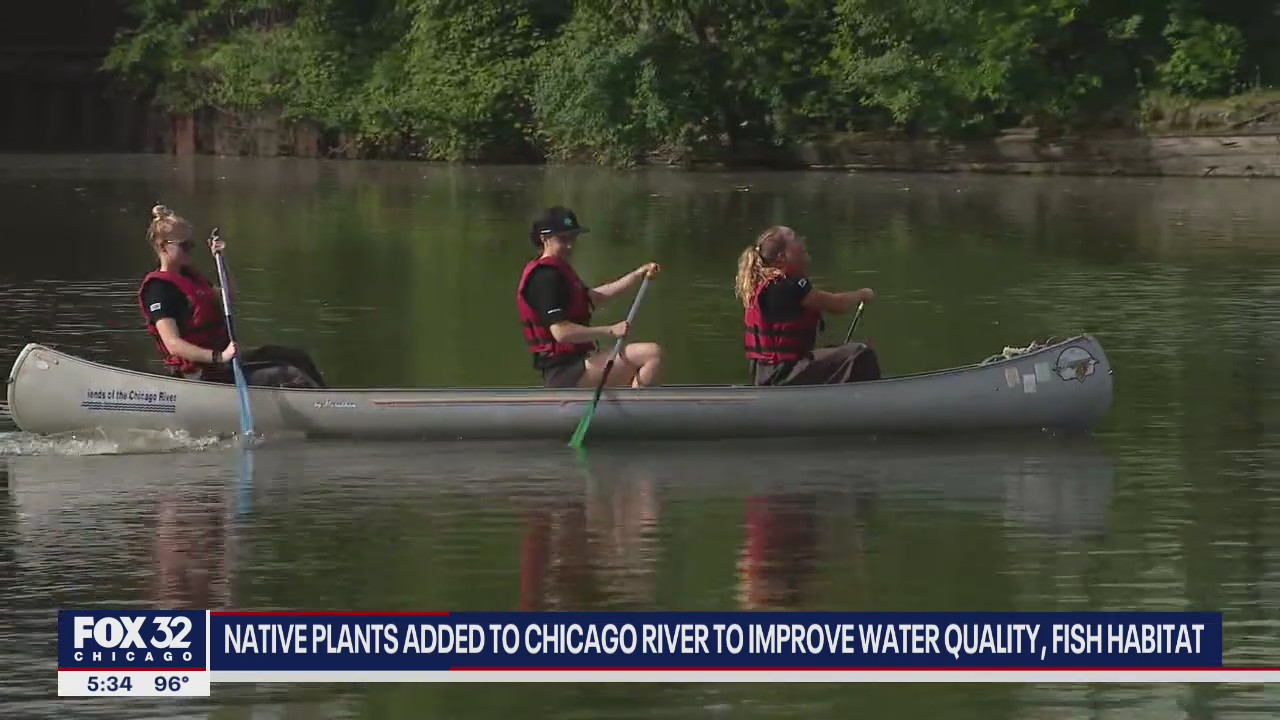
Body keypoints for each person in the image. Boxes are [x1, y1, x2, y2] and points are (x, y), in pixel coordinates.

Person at [137, 204, 327, 388]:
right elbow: (173, 344)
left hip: (224, 363)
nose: (191, 250)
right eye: (185, 245)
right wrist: (220, 357)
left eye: (192, 245)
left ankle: (331, 403)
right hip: (199, 372)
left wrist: (221, 259)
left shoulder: (191, 278)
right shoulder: (159, 289)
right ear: (163, 247)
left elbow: (228, 296)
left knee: (295, 357)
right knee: (286, 374)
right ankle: (326, 410)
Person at [516, 206, 663, 388]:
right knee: (651, 354)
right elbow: (561, 333)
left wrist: (637, 275)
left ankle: (630, 404)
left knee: (645, 357)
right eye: (563, 239)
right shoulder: (544, 278)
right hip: (564, 374)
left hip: (579, 365)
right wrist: (610, 330)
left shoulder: (559, 272)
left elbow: (597, 298)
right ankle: (637, 411)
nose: (570, 245)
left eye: (573, 238)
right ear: (544, 238)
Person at [734, 225, 881, 386]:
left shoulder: (766, 285)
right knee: (860, 354)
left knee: (841, 351)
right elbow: (837, 304)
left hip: (766, 375)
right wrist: (863, 294)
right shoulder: (786, 286)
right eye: (794, 239)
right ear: (782, 257)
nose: (802, 241)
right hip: (782, 374)